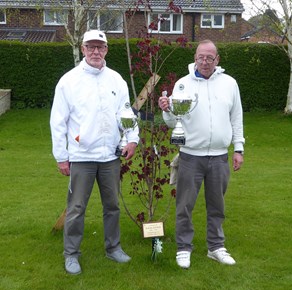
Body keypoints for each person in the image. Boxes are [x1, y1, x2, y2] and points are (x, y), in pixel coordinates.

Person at [50, 30, 139, 275]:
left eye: (100, 47)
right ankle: (71, 254)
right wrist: (61, 156)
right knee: (77, 208)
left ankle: (114, 248)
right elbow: (58, 121)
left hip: (110, 156)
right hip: (81, 157)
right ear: (83, 49)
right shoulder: (69, 81)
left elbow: (126, 114)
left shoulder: (116, 80)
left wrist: (132, 139)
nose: (96, 51)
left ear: (107, 50)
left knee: (112, 206)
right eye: (91, 47)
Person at [158, 40, 244, 269]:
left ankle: (216, 247)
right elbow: (172, 122)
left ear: (217, 60)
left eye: (210, 58)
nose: (205, 62)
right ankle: (183, 248)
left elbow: (236, 117)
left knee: (217, 206)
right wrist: (166, 110)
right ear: (195, 58)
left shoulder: (229, 83)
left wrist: (239, 148)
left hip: (219, 156)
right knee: (184, 205)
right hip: (190, 156)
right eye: (201, 57)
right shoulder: (183, 84)